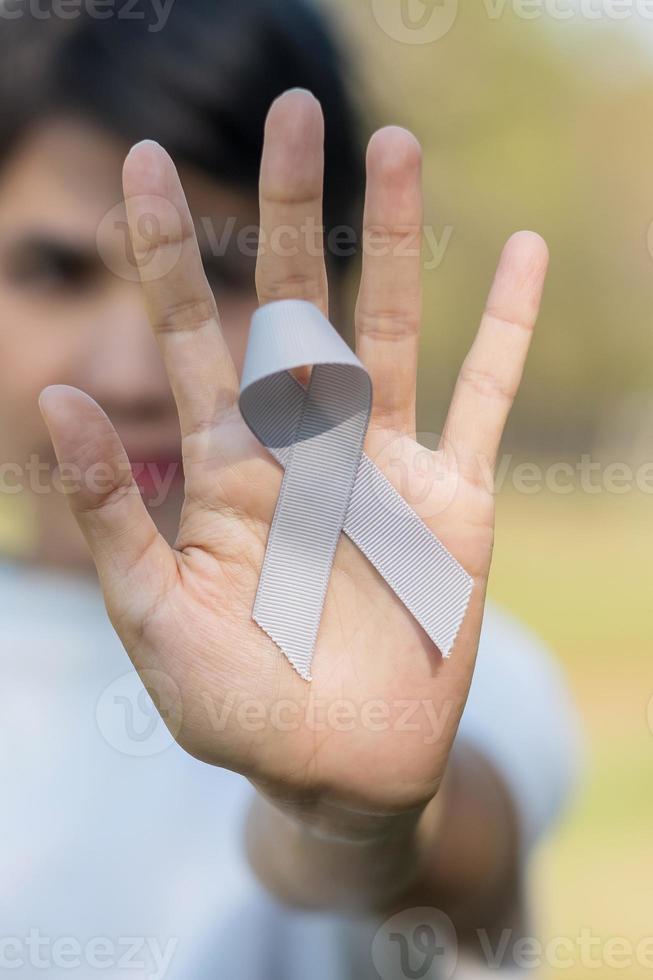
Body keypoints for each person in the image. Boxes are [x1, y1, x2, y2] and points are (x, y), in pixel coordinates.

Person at [0, 2, 580, 977]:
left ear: (333, 294)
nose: (131, 372)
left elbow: (451, 870)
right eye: (55, 271)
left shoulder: (438, 644)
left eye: (222, 270)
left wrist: (361, 824)